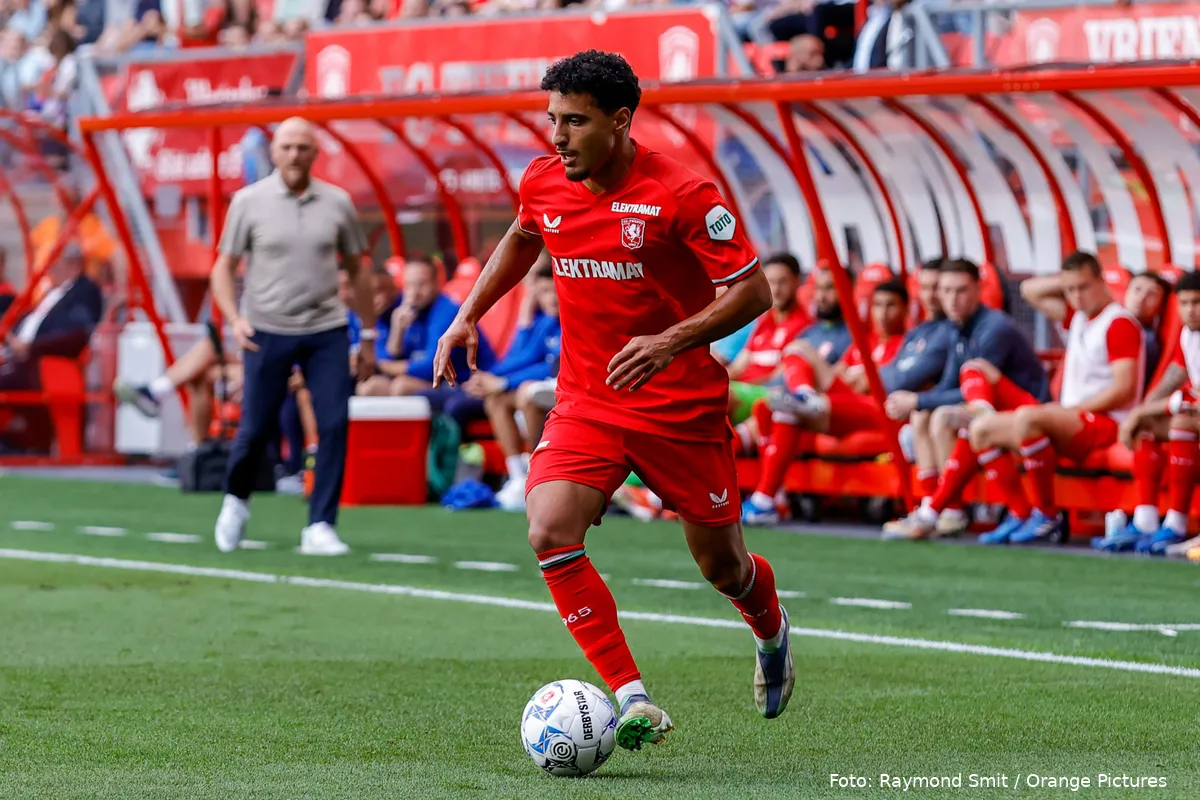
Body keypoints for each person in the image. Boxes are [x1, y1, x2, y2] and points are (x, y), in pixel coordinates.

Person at [430, 50, 794, 749]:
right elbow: (522, 235)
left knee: (725, 568)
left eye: (574, 121)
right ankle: (632, 698)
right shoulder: (545, 180)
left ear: (620, 120)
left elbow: (754, 292)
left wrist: (669, 342)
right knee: (548, 528)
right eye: (551, 121)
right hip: (588, 401)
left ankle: (771, 629)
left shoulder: (685, 195)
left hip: (679, 410)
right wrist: (467, 313)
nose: (557, 137)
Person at [210, 117, 376, 557]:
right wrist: (233, 318)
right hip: (266, 328)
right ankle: (236, 501)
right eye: (286, 147)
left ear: (315, 153)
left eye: (303, 147)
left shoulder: (338, 203)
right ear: (273, 152)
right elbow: (223, 268)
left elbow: (359, 271)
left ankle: (320, 524)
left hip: (326, 329)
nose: (294, 155)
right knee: (255, 428)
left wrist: (370, 334)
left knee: (335, 423)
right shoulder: (248, 201)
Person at [962, 251, 1144, 544]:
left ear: (1101, 281)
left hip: (1106, 423)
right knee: (981, 430)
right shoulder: (1080, 318)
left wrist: (1072, 410)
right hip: (1073, 421)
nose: (1076, 296)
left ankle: (1047, 516)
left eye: (1083, 287)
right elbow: (1028, 290)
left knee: (1028, 417)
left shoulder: (1119, 322)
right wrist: (1068, 280)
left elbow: (1123, 389)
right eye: (1069, 289)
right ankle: (1021, 513)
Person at [881, 259, 1046, 540]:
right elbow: (949, 384)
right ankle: (933, 506)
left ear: (979, 289)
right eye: (946, 291)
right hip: (991, 412)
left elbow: (978, 389)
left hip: (1026, 412)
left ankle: (951, 510)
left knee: (945, 416)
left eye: (960, 291)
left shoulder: (994, 328)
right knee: (924, 417)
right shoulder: (956, 328)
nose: (952, 299)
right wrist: (918, 403)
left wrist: (917, 400)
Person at [741, 278, 909, 524]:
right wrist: (853, 376)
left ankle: (805, 395)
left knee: (799, 352)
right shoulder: (865, 341)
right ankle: (769, 498)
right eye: (878, 305)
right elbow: (841, 373)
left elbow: (897, 380)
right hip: (847, 405)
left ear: (905, 309)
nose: (882, 313)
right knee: (769, 408)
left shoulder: (907, 342)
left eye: (890, 305)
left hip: (879, 411)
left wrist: (865, 377)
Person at [1105, 269, 1200, 554]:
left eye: (1196, 302)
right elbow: (1178, 376)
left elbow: (1189, 397)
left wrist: (1141, 410)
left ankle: (1177, 524)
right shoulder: (1188, 334)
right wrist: (1142, 412)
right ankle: (1147, 520)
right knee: (1147, 425)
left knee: (1181, 418)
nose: (1190, 310)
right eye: (1183, 303)